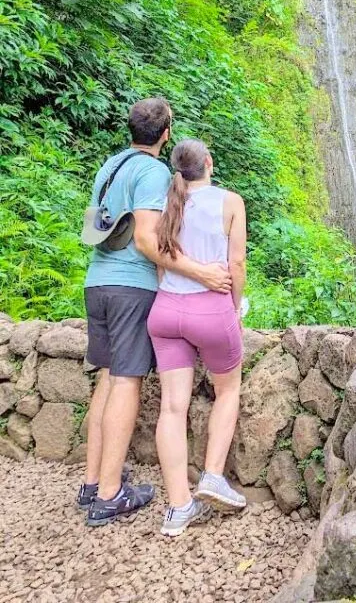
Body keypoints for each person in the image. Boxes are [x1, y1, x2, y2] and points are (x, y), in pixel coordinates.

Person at [79, 98, 233, 527]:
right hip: (131, 286)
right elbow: (148, 241)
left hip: (99, 281)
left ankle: (93, 482)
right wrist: (201, 272)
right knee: (127, 380)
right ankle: (110, 494)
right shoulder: (153, 172)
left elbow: (94, 226)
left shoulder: (110, 166)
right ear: (166, 134)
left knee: (108, 377)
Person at [147, 138, 247, 537]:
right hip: (211, 309)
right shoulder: (230, 201)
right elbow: (236, 263)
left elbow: (158, 258)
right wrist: (235, 309)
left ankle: (177, 508)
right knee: (228, 390)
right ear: (208, 163)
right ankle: (212, 476)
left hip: (166, 311)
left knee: (172, 408)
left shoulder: (167, 201)